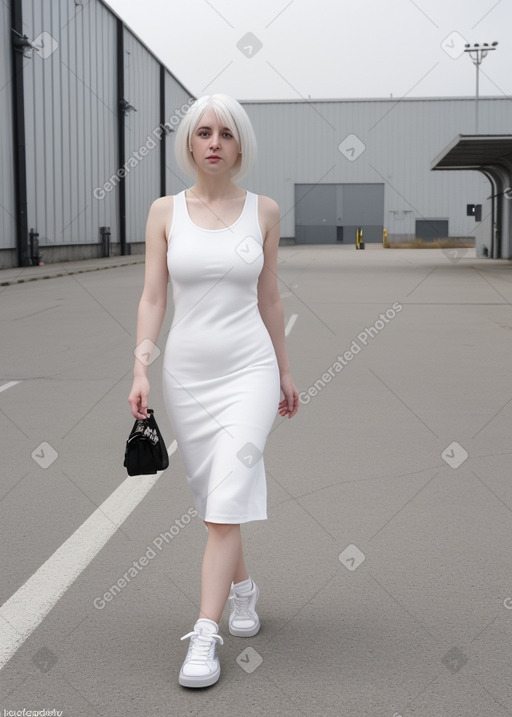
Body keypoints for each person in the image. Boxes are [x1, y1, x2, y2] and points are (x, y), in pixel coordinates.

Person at [128, 93, 299, 688]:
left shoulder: (266, 212)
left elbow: (270, 299)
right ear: (189, 143)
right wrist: (142, 366)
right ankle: (244, 590)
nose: (214, 143)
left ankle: (206, 632)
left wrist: (282, 370)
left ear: (240, 144)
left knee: (228, 491)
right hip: (187, 374)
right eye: (204, 132)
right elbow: (154, 297)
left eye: (226, 133)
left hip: (249, 370)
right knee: (215, 505)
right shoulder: (164, 212)